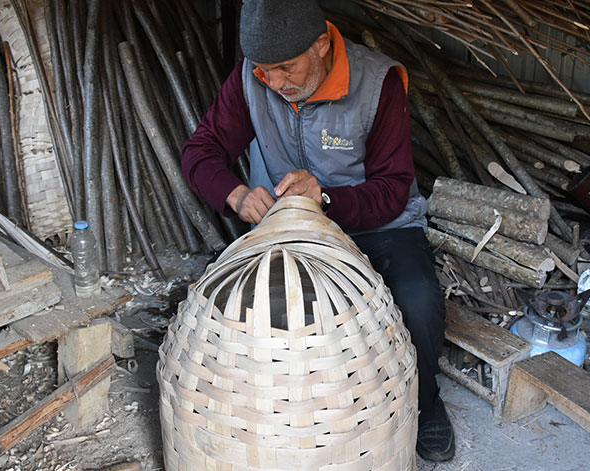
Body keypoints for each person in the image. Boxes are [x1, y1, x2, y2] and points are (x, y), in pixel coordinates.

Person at [181, 0, 454, 462]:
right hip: (289, 226)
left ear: (322, 45)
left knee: (417, 300)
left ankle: (426, 403)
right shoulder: (254, 77)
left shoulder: (378, 82)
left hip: (375, 224)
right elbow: (201, 150)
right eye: (265, 72)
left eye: (286, 69)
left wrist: (324, 198)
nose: (275, 83)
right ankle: (279, 420)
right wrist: (237, 195)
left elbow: (391, 189)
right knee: (240, 305)